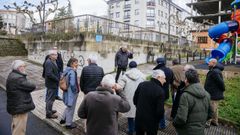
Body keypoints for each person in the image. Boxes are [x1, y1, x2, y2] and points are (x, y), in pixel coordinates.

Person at [173, 69, 213, 135]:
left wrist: (174, 123)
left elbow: (181, 118)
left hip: (186, 131)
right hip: (200, 130)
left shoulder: (185, 95)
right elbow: (211, 113)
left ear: (186, 80)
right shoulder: (207, 94)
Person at [6, 60, 36, 135]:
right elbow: (32, 86)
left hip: (16, 106)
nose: (24, 68)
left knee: (15, 126)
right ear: (19, 68)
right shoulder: (18, 78)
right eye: (23, 66)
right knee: (19, 130)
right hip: (19, 107)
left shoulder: (13, 74)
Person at [133, 70, 166, 135]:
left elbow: (135, 100)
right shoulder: (160, 91)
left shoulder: (142, 84)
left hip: (139, 118)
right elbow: (160, 111)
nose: (165, 80)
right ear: (158, 77)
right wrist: (157, 120)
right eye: (164, 78)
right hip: (152, 122)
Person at [117, 61, 145, 135]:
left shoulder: (125, 76)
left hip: (129, 98)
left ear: (129, 67)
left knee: (130, 114)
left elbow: (119, 87)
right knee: (137, 114)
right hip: (139, 98)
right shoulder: (142, 75)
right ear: (136, 66)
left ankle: (130, 130)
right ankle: (136, 129)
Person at [153, 57, 173, 129]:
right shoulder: (170, 70)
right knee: (161, 108)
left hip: (156, 92)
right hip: (165, 93)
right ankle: (162, 124)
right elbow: (171, 82)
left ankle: (159, 124)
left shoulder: (157, 71)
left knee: (156, 108)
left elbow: (153, 82)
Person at [204, 58, 225, 127]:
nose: (208, 64)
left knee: (211, 109)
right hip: (213, 93)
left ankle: (208, 122)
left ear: (213, 63)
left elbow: (221, 83)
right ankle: (215, 121)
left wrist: (222, 90)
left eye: (209, 63)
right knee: (215, 109)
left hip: (214, 94)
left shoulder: (214, 72)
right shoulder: (214, 70)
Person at [60, 58, 79, 129]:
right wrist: (75, 91)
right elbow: (72, 83)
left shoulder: (66, 70)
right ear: (72, 64)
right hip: (71, 93)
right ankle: (68, 124)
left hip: (67, 91)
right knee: (71, 108)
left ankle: (63, 119)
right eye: (76, 63)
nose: (77, 64)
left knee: (68, 106)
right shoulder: (72, 72)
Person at [44, 50, 60, 119]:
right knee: (50, 99)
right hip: (51, 84)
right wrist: (57, 79)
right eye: (55, 55)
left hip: (52, 83)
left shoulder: (52, 61)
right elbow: (49, 74)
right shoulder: (49, 62)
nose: (57, 56)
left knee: (50, 98)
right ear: (51, 56)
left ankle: (49, 110)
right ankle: (49, 114)